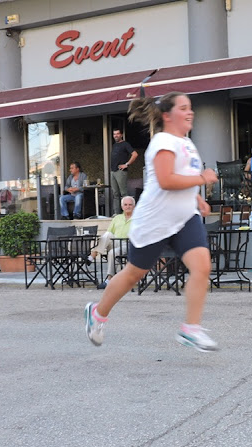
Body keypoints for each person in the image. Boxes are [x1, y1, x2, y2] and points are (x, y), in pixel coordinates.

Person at [84, 92, 219, 352]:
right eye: (183, 108)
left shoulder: (188, 143)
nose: (190, 112)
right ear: (167, 115)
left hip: (183, 219)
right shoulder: (162, 142)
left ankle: (191, 329)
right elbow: (167, 180)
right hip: (154, 222)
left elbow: (186, 178)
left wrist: (197, 199)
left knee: (202, 266)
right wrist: (202, 179)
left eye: (190, 107)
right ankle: (98, 313)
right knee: (134, 273)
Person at [87, 196, 135, 290]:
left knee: (112, 253)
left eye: (130, 205)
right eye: (125, 205)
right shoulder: (117, 218)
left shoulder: (138, 218)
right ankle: (92, 256)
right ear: (122, 206)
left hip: (128, 244)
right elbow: (108, 233)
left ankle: (109, 280)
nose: (128, 207)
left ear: (134, 206)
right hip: (115, 241)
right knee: (108, 234)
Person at [110, 129, 138, 215]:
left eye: (117, 134)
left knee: (123, 193)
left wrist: (127, 164)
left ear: (121, 135)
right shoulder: (114, 145)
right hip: (113, 171)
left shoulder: (125, 144)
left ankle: (126, 213)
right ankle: (116, 213)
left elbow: (135, 154)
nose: (116, 135)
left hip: (120, 171)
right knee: (115, 194)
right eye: (114, 134)